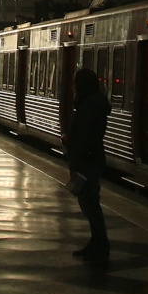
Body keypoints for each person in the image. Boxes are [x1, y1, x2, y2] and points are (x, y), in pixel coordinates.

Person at [65, 67, 111, 266]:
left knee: (90, 203)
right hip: (93, 158)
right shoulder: (95, 103)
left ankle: (101, 246)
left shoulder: (87, 106)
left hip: (87, 161)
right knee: (90, 202)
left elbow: (83, 135)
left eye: (76, 81)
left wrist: (71, 145)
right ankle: (96, 243)